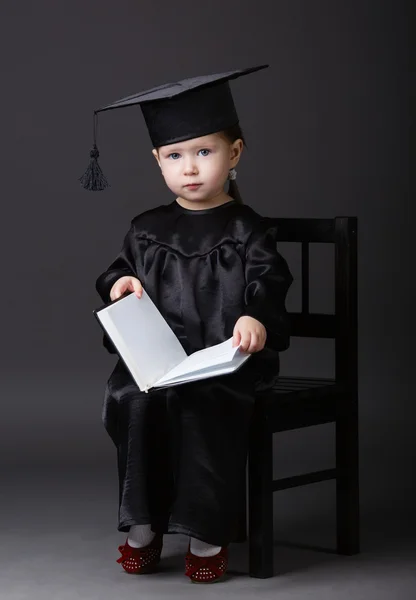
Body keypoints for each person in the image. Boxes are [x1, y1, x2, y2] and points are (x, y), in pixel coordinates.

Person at [86, 65, 294, 583]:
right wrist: (119, 285)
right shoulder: (146, 227)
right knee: (133, 399)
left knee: (203, 405)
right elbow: (118, 271)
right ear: (158, 162)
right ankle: (144, 526)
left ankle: (207, 534)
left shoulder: (248, 229)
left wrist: (255, 317)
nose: (191, 167)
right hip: (161, 361)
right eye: (175, 156)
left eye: (205, 151)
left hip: (223, 362)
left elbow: (269, 283)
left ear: (235, 153)